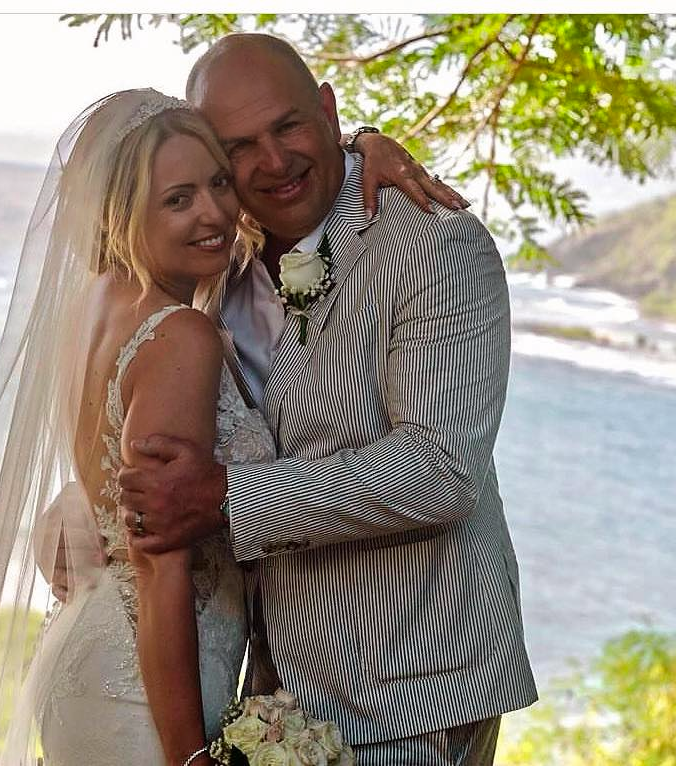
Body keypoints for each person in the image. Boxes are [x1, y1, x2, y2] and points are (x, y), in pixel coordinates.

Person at [0, 87, 455, 766]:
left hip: (84, 646)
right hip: (146, 685)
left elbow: (106, 476)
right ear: (122, 210)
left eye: (218, 183)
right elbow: (160, 566)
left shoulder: (92, 302)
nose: (215, 212)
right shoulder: (180, 334)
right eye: (178, 200)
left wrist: (361, 145)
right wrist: (191, 757)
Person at [119, 34, 537, 765]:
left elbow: (441, 469)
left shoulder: (437, 247)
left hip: (414, 686)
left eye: (288, 127)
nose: (274, 162)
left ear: (329, 109)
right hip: (273, 688)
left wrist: (226, 498)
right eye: (240, 146)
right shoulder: (219, 255)